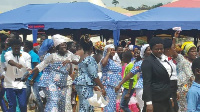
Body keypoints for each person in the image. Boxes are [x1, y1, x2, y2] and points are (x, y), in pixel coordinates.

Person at [28, 34, 79, 112]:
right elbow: (41, 65)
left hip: (64, 84)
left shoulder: (69, 54)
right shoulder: (52, 56)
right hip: (52, 83)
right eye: (62, 45)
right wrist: (31, 71)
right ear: (57, 47)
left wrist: (70, 61)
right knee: (54, 101)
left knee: (63, 104)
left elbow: (77, 60)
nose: (64, 46)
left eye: (65, 45)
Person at [73, 35, 106, 112]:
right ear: (91, 48)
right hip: (86, 85)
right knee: (86, 107)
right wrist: (102, 87)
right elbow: (94, 75)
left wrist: (94, 86)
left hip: (81, 84)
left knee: (85, 105)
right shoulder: (90, 59)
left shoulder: (82, 58)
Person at [115, 44, 151, 112]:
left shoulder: (157, 62)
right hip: (142, 87)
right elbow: (130, 75)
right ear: (144, 52)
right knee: (143, 107)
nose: (151, 51)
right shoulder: (139, 63)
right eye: (149, 50)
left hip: (154, 86)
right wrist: (120, 84)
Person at [142, 37, 172, 112]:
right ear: (151, 49)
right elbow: (147, 83)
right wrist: (148, 103)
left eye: (161, 49)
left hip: (166, 98)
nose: (159, 51)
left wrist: (170, 97)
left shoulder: (164, 60)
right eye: (156, 49)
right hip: (156, 99)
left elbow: (167, 80)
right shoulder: (148, 62)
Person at [4, 39, 31, 112]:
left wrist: (27, 74)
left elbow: (29, 68)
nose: (16, 49)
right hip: (10, 83)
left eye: (18, 48)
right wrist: (17, 65)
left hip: (21, 83)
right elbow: (9, 61)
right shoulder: (8, 54)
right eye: (14, 48)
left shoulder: (26, 55)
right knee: (12, 105)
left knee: (23, 105)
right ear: (11, 47)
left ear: (20, 47)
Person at [172, 32, 197, 111]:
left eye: (195, 51)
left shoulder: (196, 62)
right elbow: (172, 50)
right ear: (186, 52)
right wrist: (174, 38)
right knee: (182, 108)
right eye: (192, 51)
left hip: (192, 88)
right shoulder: (181, 59)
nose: (194, 53)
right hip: (182, 88)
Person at [23, 40, 44, 112]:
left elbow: (37, 68)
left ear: (27, 47)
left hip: (35, 79)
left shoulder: (33, 55)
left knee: (37, 98)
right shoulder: (27, 55)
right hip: (29, 78)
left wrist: (32, 79)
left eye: (24, 46)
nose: (22, 48)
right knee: (25, 97)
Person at [101, 44, 122, 112]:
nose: (112, 51)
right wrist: (108, 53)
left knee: (113, 105)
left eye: (113, 50)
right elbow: (103, 63)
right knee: (109, 104)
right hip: (108, 85)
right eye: (110, 50)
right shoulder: (105, 60)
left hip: (115, 85)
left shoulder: (115, 61)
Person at [163, 38, 179, 112]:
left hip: (173, 88)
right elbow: (165, 81)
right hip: (169, 89)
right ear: (168, 49)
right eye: (173, 47)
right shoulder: (163, 61)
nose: (174, 49)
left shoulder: (170, 60)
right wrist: (170, 97)